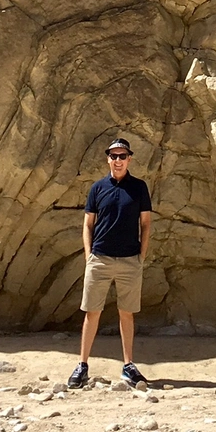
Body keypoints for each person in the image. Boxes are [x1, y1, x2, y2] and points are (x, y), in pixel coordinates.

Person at [68, 136, 152, 388]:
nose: (118, 160)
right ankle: (82, 365)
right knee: (91, 312)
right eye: (113, 156)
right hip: (100, 259)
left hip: (129, 260)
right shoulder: (97, 188)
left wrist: (141, 256)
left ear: (129, 159)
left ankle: (128, 366)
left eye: (122, 156)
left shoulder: (139, 188)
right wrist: (89, 255)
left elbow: (146, 223)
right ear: (108, 159)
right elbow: (88, 224)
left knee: (127, 314)